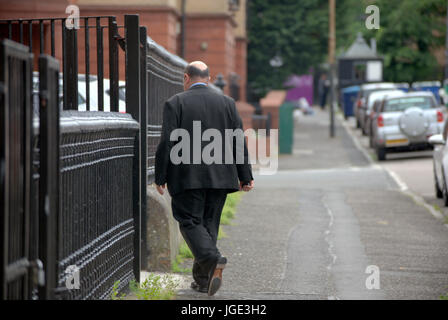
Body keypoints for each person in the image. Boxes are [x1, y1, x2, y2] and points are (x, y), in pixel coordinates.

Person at [155, 61, 254, 296]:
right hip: (221, 177)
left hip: (186, 176)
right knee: (208, 225)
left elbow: (167, 142)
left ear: (186, 78)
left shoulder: (175, 102)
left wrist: (160, 175)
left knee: (189, 222)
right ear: (209, 79)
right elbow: (237, 141)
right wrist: (245, 175)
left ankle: (212, 259)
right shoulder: (228, 103)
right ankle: (202, 280)